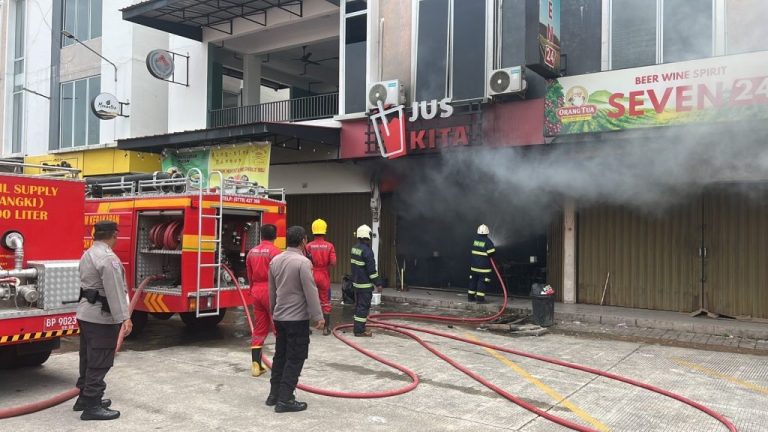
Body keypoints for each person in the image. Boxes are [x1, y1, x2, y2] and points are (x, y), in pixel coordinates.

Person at [74, 220, 131, 421]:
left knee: (88, 357)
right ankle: (92, 406)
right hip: (101, 318)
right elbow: (115, 291)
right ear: (114, 235)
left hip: (85, 314)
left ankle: (83, 398)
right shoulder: (108, 258)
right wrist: (125, 318)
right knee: (99, 361)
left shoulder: (88, 253)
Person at [267, 226, 325, 413]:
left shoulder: (275, 261)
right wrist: (318, 316)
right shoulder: (303, 263)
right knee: (295, 357)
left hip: (280, 317)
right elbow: (310, 291)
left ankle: (274, 395)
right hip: (296, 320)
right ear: (303, 241)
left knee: (280, 356)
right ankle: (285, 399)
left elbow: (272, 291)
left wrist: (273, 311)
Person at [246, 224, 282, 377]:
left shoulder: (251, 252)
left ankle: (256, 365)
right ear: (275, 236)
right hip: (271, 291)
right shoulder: (276, 252)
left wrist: (252, 289)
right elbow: (280, 276)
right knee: (278, 327)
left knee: (260, 328)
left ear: (261, 235)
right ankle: (280, 365)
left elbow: (249, 274)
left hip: (256, 291)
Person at [306, 218, 337, 336]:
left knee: (308, 300)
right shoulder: (329, 246)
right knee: (325, 301)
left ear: (313, 230)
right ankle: (326, 328)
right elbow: (333, 262)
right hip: (324, 275)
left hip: (311, 274)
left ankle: (306, 329)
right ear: (325, 231)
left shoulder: (308, 246)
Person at [350, 224, 382, 337]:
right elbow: (372, 271)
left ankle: (358, 327)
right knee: (363, 308)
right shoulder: (367, 251)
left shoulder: (354, 248)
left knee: (358, 307)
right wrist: (378, 283)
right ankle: (359, 331)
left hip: (356, 284)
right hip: (364, 285)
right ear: (367, 236)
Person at [468, 224, 496, 304]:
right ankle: (480, 299)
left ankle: (470, 297)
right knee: (482, 282)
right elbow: (492, 252)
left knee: (473, 281)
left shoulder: (475, 240)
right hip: (483, 268)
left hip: (474, 266)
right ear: (487, 232)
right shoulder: (487, 241)